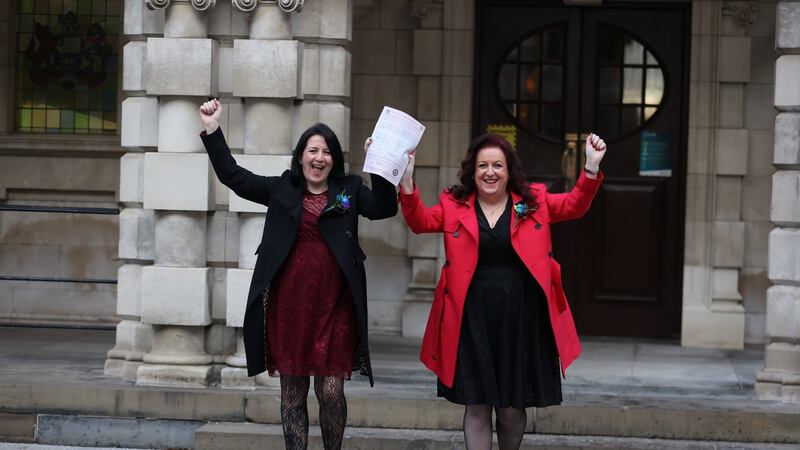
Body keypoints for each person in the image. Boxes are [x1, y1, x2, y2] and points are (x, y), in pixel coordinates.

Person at [198, 99, 398, 450]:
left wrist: (380, 164)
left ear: (334, 159)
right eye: (312, 150)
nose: (319, 158)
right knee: (292, 393)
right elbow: (233, 175)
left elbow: (383, 207)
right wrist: (213, 129)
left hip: (336, 305)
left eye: (326, 152)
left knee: (331, 390)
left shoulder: (349, 190)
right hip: (289, 305)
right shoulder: (282, 189)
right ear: (301, 156)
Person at [397, 132, 606, 449]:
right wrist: (408, 182)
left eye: (497, 165)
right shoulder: (454, 205)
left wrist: (590, 169)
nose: (489, 172)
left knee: (511, 407)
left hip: (521, 320)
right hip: (471, 319)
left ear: (509, 171)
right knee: (477, 404)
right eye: (482, 165)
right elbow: (420, 221)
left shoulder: (534, 201)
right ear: (472, 170)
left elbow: (575, 206)